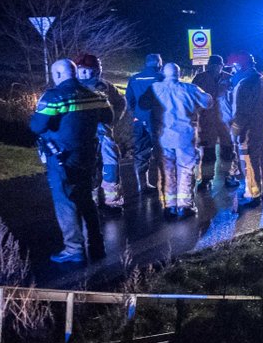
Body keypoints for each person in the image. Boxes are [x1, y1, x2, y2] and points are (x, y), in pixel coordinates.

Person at [30, 58, 113, 263]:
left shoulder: (54, 97)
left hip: (61, 158)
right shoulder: (95, 95)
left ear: (57, 75)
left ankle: (73, 249)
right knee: (86, 198)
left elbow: (36, 127)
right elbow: (109, 118)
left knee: (65, 201)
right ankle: (97, 245)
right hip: (88, 155)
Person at [142, 62, 212, 217]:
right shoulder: (189, 89)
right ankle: (184, 206)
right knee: (186, 170)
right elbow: (208, 102)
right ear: (179, 74)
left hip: (163, 137)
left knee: (167, 171)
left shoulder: (154, 88)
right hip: (184, 136)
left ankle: (169, 206)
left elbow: (142, 104)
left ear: (163, 73)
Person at [75, 53, 126, 209]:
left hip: (103, 134)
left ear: (96, 70)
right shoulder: (72, 86)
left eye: (87, 70)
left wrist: (113, 120)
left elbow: (120, 102)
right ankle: (92, 200)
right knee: (88, 168)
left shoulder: (105, 86)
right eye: (81, 69)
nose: (83, 73)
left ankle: (113, 201)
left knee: (111, 165)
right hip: (82, 137)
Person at [226, 51, 263, 206]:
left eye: (238, 65)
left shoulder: (243, 85)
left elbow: (241, 113)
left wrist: (234, 132)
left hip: (248, 132)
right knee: (261, 160)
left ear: (243, 65)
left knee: (249, 163)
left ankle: (254, 194)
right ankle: (262, 190)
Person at [191, 54, 235, 191]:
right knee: (208, 153)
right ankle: (206, 179)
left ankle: (228, 176)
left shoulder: (229, 78)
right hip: (207, 121)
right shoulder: (200, 79)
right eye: (213, 65)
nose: (215, 68)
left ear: (222, 66)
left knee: (228, 151)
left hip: (225, 122)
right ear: (209, 66)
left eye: (218, 65)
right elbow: (194, 99)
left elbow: (235, 99)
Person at [125, 53, 164, 194]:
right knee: (162, 152)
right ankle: (164, 183)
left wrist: (136, 113)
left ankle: (143, 185)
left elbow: (129, 99)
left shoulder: (134, 78)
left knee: (141, 152)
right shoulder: (161, 78)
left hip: (139, 120)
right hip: (158, 120)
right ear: (159, 63)